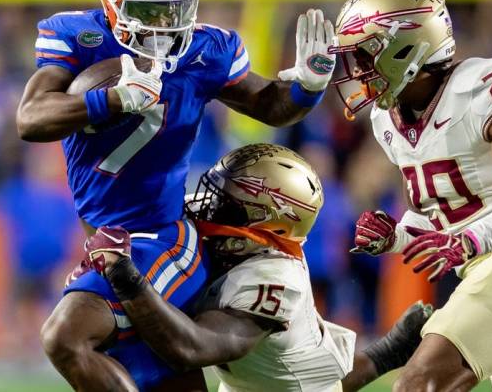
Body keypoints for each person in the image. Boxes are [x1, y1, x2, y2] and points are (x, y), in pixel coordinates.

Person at [18, 0, 337, 390]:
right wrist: (111, 100)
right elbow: (30, 118)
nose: (166, 23)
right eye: (152, 9)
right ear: (112, 0)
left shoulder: (207, 50)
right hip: (112, 233)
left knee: (66, 337)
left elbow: (270, 105)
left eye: (177, 8)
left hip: (161, 236)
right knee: (155, 374)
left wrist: (307, 88)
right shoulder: (78, 37)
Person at [333, 0, 492, 391]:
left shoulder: (479, 86)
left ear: (405, 49)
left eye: (364, 55)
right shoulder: (387, 121)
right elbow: (452, 216)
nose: (358, 71)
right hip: (491, 276)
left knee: (418, 384)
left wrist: (469, 241)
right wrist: (396, 236)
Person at [83, 143, 434, 392]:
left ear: (269, 228)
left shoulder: (274, 281)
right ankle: (388, 352)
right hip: (261, 374)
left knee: (308, 383)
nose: (206, 207)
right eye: (215, 192)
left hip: (284, 382)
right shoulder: (246, 238)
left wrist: (126, 278)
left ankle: (387, 353)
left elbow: (191, 348)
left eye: (225, 206)